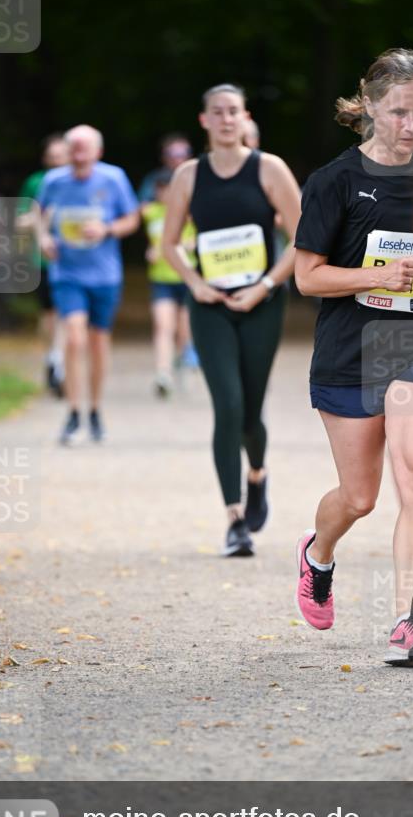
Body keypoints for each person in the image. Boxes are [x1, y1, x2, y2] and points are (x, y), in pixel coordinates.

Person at [293, 49, 413, 668]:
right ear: (370, 107)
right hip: (351, 351)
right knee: (360, 497)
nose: (411, 124)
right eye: (398, 112)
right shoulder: (334, 180)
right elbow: (307, 277)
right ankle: (318, 554)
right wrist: (374, 273)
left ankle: (408, 621)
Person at [163, 83, 302, 556]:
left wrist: (265, 285)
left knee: (250, 409)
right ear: (204, 120)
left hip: (262, 303)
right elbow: (169, 243)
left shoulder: (269, 169)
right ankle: (234, 518)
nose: (226, 119)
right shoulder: (187, 176)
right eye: (217, 112)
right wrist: (194, 283)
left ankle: (257, 475)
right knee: (227, 404)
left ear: (246, 118)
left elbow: (305, 239)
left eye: (234, 112)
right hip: (211, 306)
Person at [38, 124, 140, 445]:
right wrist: (43, 239)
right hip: (67, 274)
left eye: (85, 147)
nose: (79, 153)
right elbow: (39, 215)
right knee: (73, 337)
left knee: (97, 341)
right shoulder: (53, 181)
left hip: (105, 275)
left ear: (98, 151)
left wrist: (107, 229)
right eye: (74, 147)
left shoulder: (113, 178)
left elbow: (132, 219)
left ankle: (94, 409)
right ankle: (72, 412)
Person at [17, 133, 70, 395]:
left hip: (72, 260)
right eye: (53, 158)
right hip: (43, 260)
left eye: (62, 157)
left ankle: (60, 363)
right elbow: (20, 219)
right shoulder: (36, 182)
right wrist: (39, 218)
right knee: (49, 315)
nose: (58, 163)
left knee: (68, 313)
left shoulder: (79, 179)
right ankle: (53, 356)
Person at [141, 168, 197, 397]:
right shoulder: (150, 212)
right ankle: (162, 374)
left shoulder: (191, 213)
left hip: (187, 277)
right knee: (163, 326)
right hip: (161, 278)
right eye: (161, 189)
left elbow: (201, 235)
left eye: (169, 189)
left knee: (184, 330)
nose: (164, 194)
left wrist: (191, 244)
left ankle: (182, 358)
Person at [138, 133, 193, 204]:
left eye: (183, 153)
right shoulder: (154, 179)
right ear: (163, 157)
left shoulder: (199, 176)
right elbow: (142, 206)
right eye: (173, 153)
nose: (178, 158)